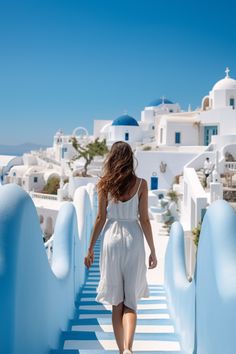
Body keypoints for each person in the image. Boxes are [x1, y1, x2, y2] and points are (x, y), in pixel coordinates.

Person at [84, 141, 157, 354]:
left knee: (117, 302)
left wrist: (90, 248)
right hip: (133, 238)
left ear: (112, 158)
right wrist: (152, 250)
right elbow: (144, 220)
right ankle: (128, 348)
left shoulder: (105, 184)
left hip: (111, 240)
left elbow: (100, 217)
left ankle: (120, 351)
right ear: (130, 158)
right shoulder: (141, 184)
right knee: (131, 302)